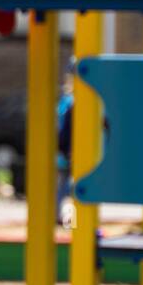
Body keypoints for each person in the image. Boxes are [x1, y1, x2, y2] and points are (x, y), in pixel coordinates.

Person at [57, 60, 76, 225]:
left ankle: (58, 214)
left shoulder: (66, 99)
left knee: (63, 184)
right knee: (68, 185)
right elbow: (66, 129)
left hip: (66, 148)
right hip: (71, 149)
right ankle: (69, 217)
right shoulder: (72, 102)